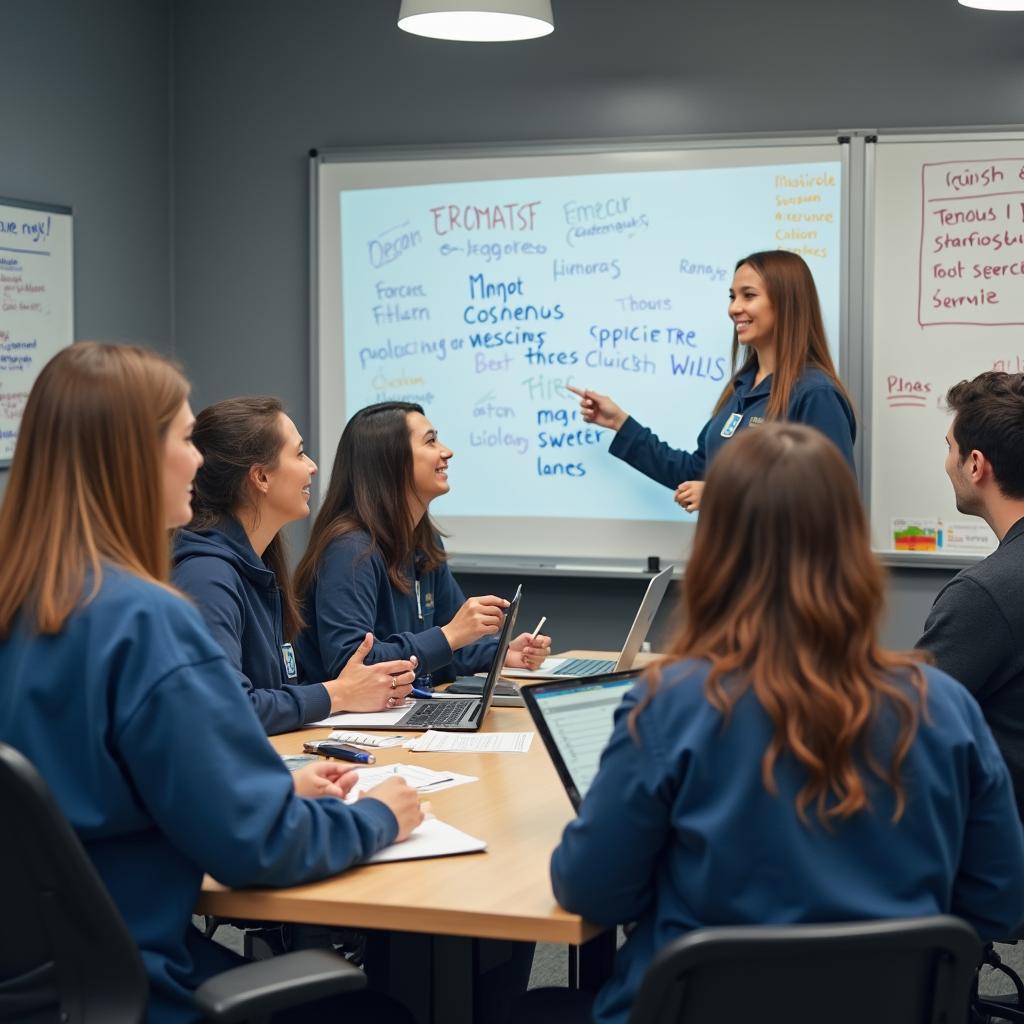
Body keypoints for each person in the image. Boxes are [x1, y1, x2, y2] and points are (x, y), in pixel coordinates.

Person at [526, 423, 1024, 1024]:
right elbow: (999, 899)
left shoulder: (669, 704)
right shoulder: (943, 706)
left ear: (719, 549)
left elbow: (588, 890)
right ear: (850, 546)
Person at [0, 344, 422, 1024]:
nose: (198, 462)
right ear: (133, 456)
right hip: (139, 986)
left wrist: (260, 784)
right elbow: (257, 847)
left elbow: (86, 790)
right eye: (183, 438)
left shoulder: (25, 601)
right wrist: (378, 817)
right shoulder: (145, 619)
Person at [172, 397, 416, 735]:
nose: (313, 466)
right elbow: (228, 708)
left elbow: (273, 693)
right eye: (299, 454)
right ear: (260, 477)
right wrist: (340, 693)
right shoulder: (207, 576)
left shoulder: (256, 563)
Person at [568, 249, 855, 513]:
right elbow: (697, 472)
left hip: (781, 569)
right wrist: (620, 423)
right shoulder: (741, 389)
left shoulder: (815, 394)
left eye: (749, 295)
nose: (734, 308)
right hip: (731, 564)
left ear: (786, 303)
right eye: (732, 297)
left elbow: (830, 502)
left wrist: (722, 495)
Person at [294, 400, 551, 688]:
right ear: (391, 461)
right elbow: (354, 665)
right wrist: (450, 635)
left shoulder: (423, 541)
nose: (446, 451)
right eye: (430, 442)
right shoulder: (350, 550)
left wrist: (501, 653)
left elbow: (451, 649)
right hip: (344, 727)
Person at [916, 370, 1024, 819]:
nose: (947, 461)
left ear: (976, 465)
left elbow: (907, 727)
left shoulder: (984, 595)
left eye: (949, 448)